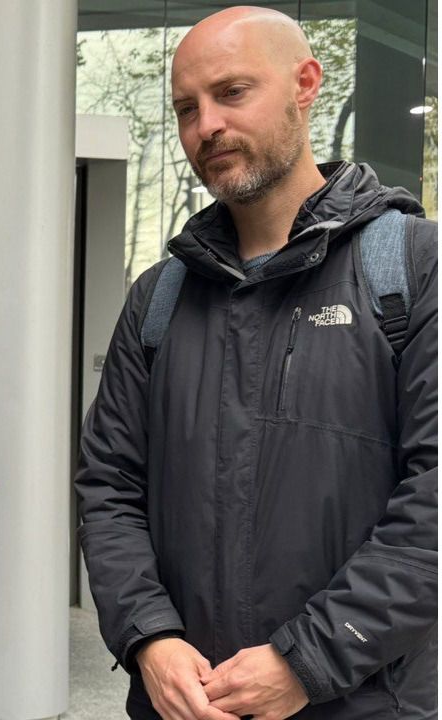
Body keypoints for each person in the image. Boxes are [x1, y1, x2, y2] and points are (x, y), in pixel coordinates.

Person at [76, 6, 436, 720]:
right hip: (181, 703)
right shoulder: (159, 297)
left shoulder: (413, 269)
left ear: (305, 84)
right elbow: (109, 487)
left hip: (360, 701)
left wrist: (307, 661)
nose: (206, 125)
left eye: (232, 92)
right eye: (186, 108)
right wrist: (150, 638)